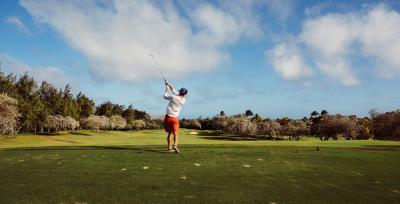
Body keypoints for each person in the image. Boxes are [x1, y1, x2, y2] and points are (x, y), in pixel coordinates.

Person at [163, 83, 187, 153]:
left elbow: (165, 96)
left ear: (180, 92)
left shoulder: (173, 97)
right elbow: (175, 92)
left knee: (170, 133)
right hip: (175, 118)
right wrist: (169, 85)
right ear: (185, 94)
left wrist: (166, 90)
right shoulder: (183, 100)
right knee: (176, 133)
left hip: (168, 117)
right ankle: (175, 145)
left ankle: (169, 148)